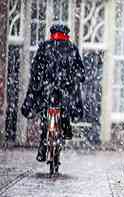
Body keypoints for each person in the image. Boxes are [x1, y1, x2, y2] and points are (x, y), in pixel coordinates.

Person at [21, 24, 85, 162]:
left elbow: (36, 68)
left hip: (47, 90)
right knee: (65, 110)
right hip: (64, 90)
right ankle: (66, 129)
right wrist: (76, 77)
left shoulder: (45, 46)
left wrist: (39, 81)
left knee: (45, 117)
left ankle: (43, 147)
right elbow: (79, 69)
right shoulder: (72, 48)